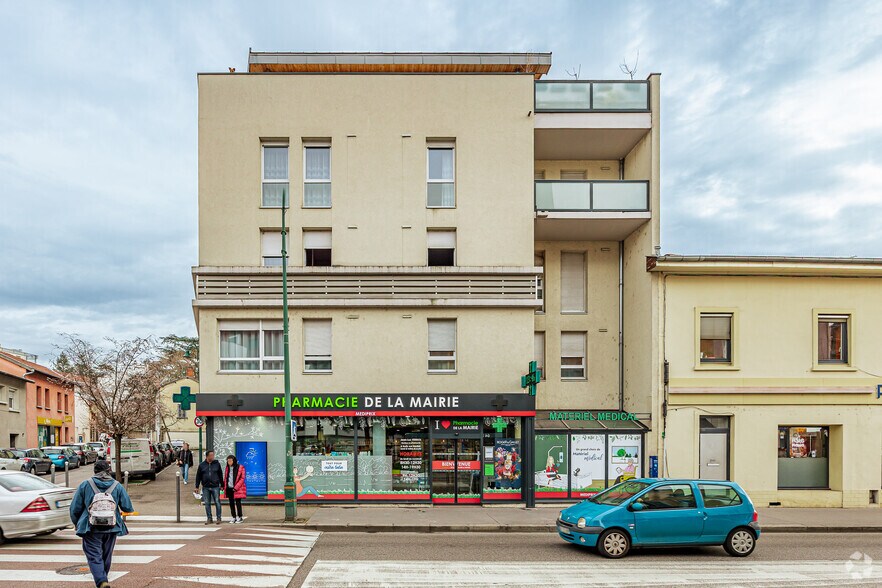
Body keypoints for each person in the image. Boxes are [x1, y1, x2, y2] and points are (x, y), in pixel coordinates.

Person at [69, 460, 134, 588]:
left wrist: (77, 523)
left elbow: (74, 508)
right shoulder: (117, 486)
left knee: (94, 556)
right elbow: (127, 507)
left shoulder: (85, 485)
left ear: (95, 471)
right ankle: (103, 578)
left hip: (90, 527)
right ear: (109, 471)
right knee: (106, 555)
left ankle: (101, 581)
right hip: (112, 527)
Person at [194, 450, 223, 525]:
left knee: (217, 502)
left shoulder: (217, 464)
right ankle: (209, 518)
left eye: (213, 455)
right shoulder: (202, 465)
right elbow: (198, 476)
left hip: (215, 486)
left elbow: (220, 474)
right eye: (211, 455)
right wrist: (197, 486)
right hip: (206, 486)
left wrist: (222, 485)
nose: (212, 457)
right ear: (207, 456)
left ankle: (219, 518)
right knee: (207, 503)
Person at [223, 454, 246, 523]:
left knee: (238, 503)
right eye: (228, 461)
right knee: (231, 503)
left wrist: (236, 487)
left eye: (230, 461)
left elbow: (242, 478)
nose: (229, 462)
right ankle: (233, 516)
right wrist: (224, 486)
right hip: (229, 487)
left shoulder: (240, 467)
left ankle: (240, 516)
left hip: (237, 488)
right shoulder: (227, 468)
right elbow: (226, 478)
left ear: (234, 461)